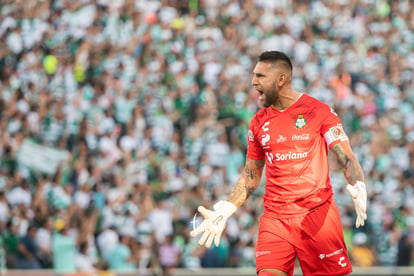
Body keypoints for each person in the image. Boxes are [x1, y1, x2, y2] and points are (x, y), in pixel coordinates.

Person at [191, 51, 367, 276]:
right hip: (275, 220)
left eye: (260, 76)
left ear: (281, 79)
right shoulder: (258, 122)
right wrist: (228, 207)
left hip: (317, 215)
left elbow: (346, 157)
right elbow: (251, 174)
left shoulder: (319, 112)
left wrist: (359, 184)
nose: (254, 82)